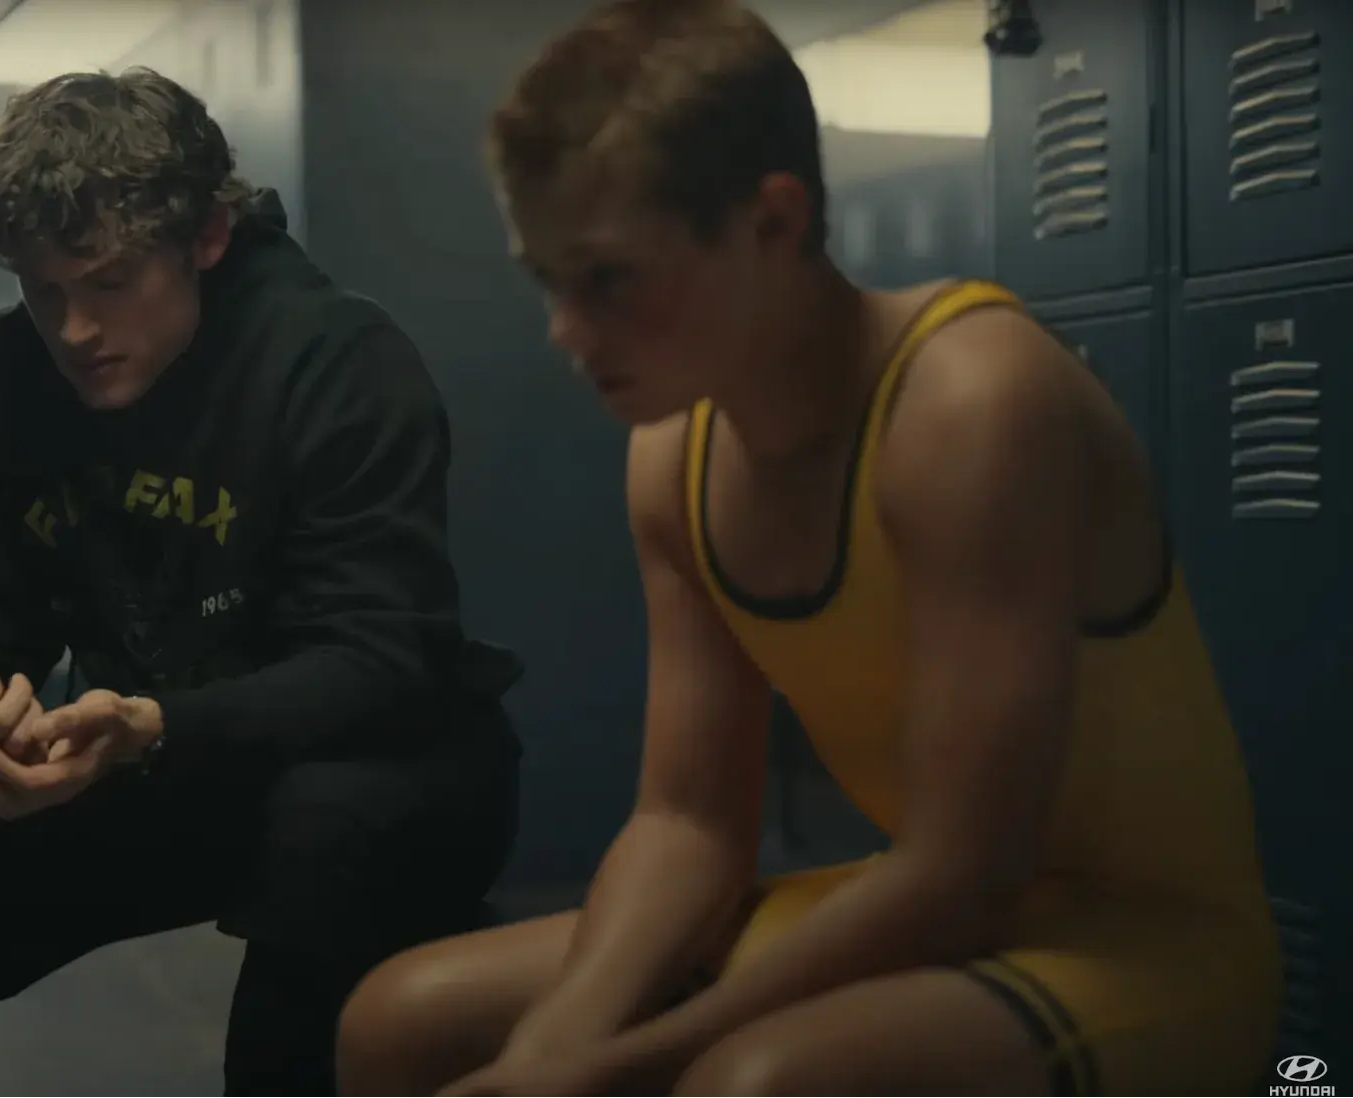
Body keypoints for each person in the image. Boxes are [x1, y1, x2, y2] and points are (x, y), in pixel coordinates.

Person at [335, 3, 1282, 1098]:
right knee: (395, 1024)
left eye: (606, 280)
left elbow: (966, 875)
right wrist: (557, 1047)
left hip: (1138, 941)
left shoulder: (968, 403)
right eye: (548, 281)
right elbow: (687, 822)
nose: (565, 331)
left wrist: (618, 1064)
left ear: (772, 224)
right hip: (926, 900)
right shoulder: (670, 454)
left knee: (756, 1085)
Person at [0, 68, 523, 1098]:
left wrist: (155, 726)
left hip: (391, 757)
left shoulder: (337, 359)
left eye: (108, 284)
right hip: (156, 755)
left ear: (205, 239)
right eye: (43, 290)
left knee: (323, 826)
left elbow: (381, 659)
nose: (74, 331)